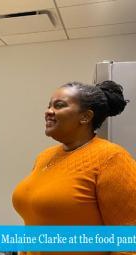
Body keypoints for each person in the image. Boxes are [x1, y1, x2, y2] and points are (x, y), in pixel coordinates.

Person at [12, 80, 136, 255]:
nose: (48, 111)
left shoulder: (111, 158)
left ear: (85, 117)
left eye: (59, 105)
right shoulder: (44, 157)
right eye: (49, 106)